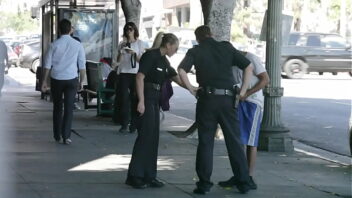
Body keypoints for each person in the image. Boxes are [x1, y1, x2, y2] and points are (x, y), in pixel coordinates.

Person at [177, 25, 253, 194]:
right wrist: (243, 91)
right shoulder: (226, 47)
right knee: (234, 140)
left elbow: (181, 70)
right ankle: (243, 181)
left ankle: (204, 184)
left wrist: (191, 88)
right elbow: (248, 67)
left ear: (197, 38)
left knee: (205, 141)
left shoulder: (195, 51)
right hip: (228, 100)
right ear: (212, 34)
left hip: (207, 100)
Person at [126, 33, 185, 189]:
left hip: (155, 100)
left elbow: (177, 78)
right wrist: (141, 101)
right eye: (176, 47)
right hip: (146, 97)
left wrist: (193, 89)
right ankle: (135, 175)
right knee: (145, 137)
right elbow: (139, 77)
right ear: (168, 45)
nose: (176, 51)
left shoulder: (164, 61)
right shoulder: (150, 56)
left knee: (153, 138)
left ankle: (149, 175)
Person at [218, 50, 270, 190]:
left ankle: (249, 176)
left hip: (252, 103)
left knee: (251, 142)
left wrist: (247, 93)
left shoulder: (251, 58)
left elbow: (265, 79)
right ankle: (240, 174)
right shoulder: (230, 62)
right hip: (238, 102)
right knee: (238, 140)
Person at [41, 19, 86, 145]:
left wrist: (44, 81)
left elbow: (47, 65)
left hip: (57, 79)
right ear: (70, 30)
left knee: (57, 107)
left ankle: (57, 135)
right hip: (72, 79)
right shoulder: (77, 45)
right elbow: (82, 65)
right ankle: (66, 136)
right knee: (69, 108)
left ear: (59, 30)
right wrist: (82, 81)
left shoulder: (54, 45)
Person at [116, 22, 148, 133]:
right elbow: (118, 61)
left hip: (136, 73)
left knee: (135, 99)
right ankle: (124, 123)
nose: (128, 31)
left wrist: (134, 53)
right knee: (124, 99)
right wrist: (122, 51)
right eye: (126, 29)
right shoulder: (122, 44)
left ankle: (134, 124)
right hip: (124, 73)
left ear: (135, 30)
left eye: (130, 29)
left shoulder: (140, 44)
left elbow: (142, 61)